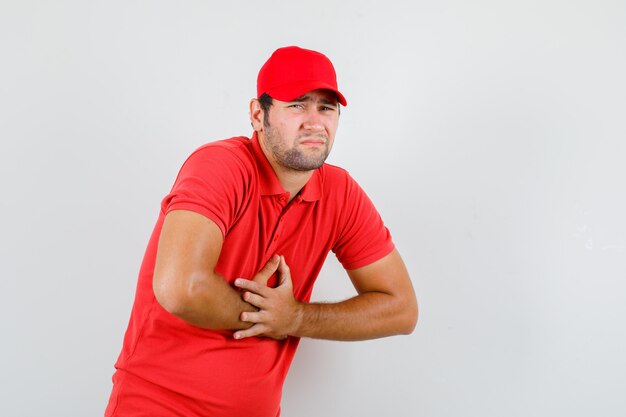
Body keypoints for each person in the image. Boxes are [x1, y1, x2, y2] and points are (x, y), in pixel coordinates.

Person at [105, 45, 418, 417]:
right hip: (158, 406)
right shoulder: (221, 166)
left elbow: (401, 309)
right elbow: (180, 288)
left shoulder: (341, 193)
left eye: (326, 108)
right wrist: (272, 318)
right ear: (258, 114)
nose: (315, 122)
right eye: (297, 105)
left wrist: (296, 318)